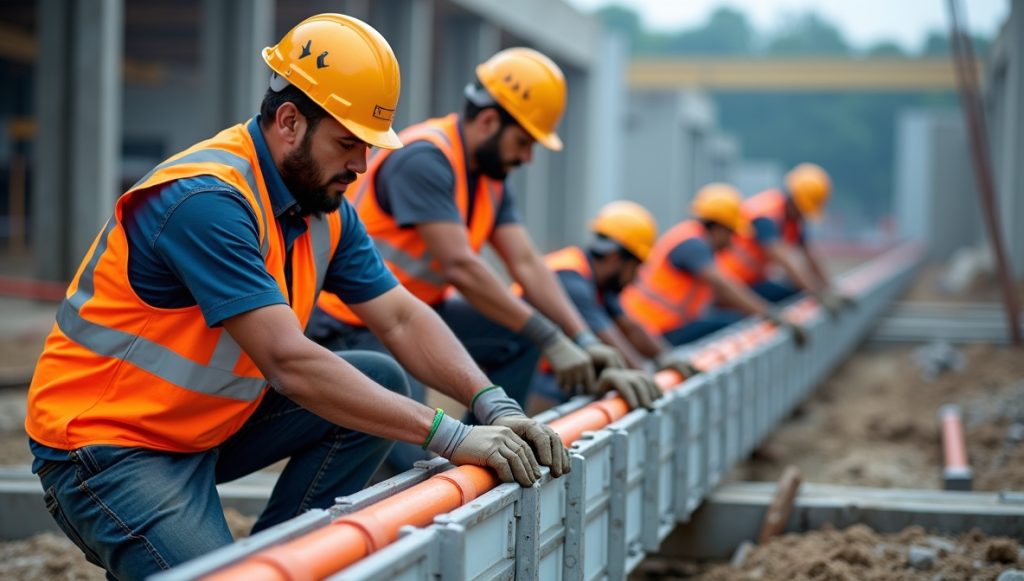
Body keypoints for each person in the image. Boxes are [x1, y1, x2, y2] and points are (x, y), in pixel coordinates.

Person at [24, 15, 569, 580]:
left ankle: (284, 562)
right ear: (289, 121)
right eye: (347, 143)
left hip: (200, 425)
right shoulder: (207, 199)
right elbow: (289, 363)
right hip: (109, 447)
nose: (361, 165)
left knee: (379, 379)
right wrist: (451, 436)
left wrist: (493, 403)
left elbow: (402, 316)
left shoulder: (323, 208)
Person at [308, 47, 625, 467]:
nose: (527, 157)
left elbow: (528, 263)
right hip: (353, 322)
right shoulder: (425, 158)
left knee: (517, 337)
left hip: (417, 315)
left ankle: (492, 443)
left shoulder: (490, 178)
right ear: (490, 121)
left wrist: (580, 339)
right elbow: (462, 266)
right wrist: (553, 338)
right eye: (524, 141)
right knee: (411, 456)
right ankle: (443, 473)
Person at [522, 201, 699, 413]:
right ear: (616, 258)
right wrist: (650, 380)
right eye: (637, 266)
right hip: (523, 369)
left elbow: (630, 327)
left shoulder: (595, 280)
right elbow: (608, 339)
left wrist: (666, 357)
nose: (635, 278)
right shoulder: (571, 279)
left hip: (545, 368)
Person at [621, 183, 808, 347]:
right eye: (731, 233)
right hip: (657, 329)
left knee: (732, 324)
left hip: (661, 326)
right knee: (735, 327)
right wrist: (772, 315)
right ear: (718, 227)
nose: (732, 242)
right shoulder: (693, 245)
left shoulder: (691, 237)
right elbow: (725, 286)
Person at [717, 163, 854, 314]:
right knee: (791, 298)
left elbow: (811, 256)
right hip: (730, 285)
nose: (804, 215)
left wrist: (831, 289)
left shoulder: (792, 221)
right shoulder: (766, 215)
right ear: (794, 198)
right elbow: (784, 260)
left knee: (794, 295)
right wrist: (817, 294)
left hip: (751, 282)